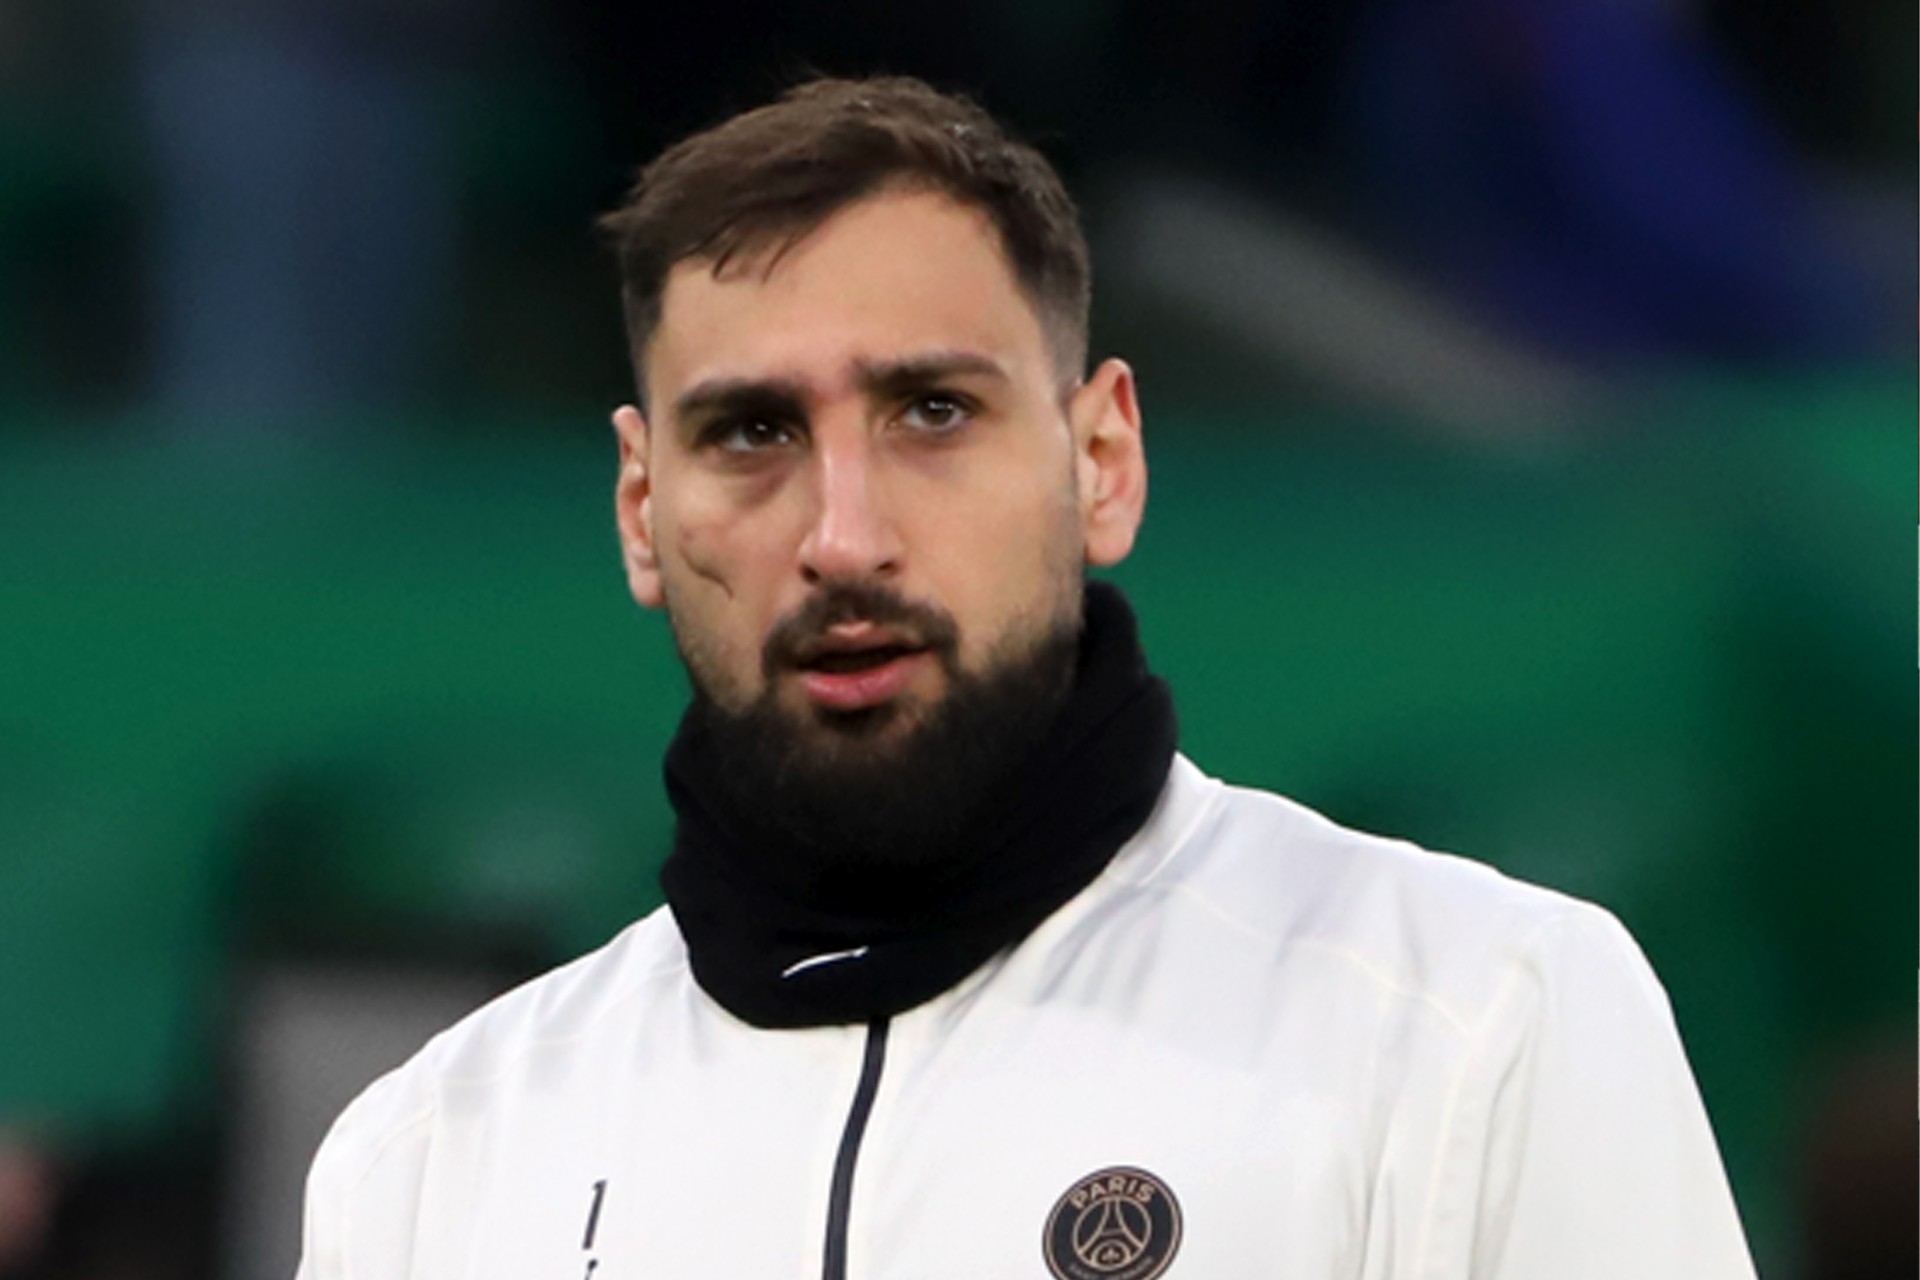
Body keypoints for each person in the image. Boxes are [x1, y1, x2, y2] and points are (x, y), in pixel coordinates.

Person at [295, 76, 1756, 1280]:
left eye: (933, 411)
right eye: (751, 433)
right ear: (641, 509)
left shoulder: (1475, 1019)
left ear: (1100, 459)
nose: (843, 537)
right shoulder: (430, 1167)